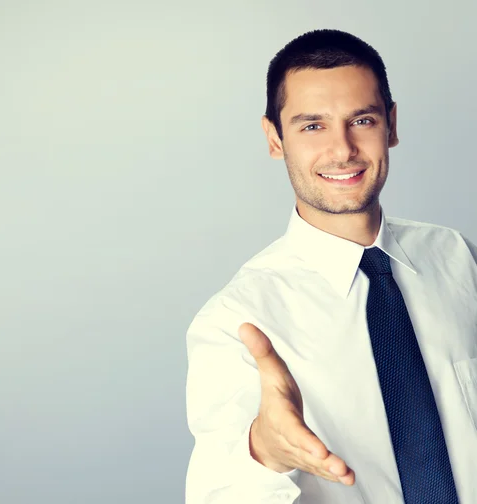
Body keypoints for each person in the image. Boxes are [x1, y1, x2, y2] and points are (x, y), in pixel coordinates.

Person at [184, 29, 477, 504]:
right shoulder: (235, 321)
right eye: (312, 126)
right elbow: (219, 494)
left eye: (361, 119)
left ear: (391, 125)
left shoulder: (458, 257)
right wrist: (265, 453)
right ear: (275, 138)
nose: (342, 150)